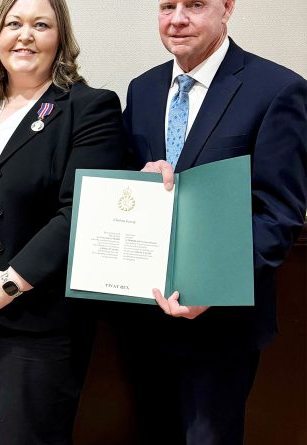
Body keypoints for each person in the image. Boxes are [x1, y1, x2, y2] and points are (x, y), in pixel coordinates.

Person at [0, 0, 126, 443]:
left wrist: (12, 284)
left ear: (61, 38)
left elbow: (83, 212)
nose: (25, 35)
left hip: (40, 319)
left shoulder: (87, 108)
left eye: (41, 25)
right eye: (14, 23)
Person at [121, 1, 307, 443]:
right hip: (146, 322)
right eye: (168, 6)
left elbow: (279, 215)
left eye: (196, 4)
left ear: (227, 9)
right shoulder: (143, 89)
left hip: (222, 329)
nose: (178, 18)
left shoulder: (278, 89)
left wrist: (212, 286)